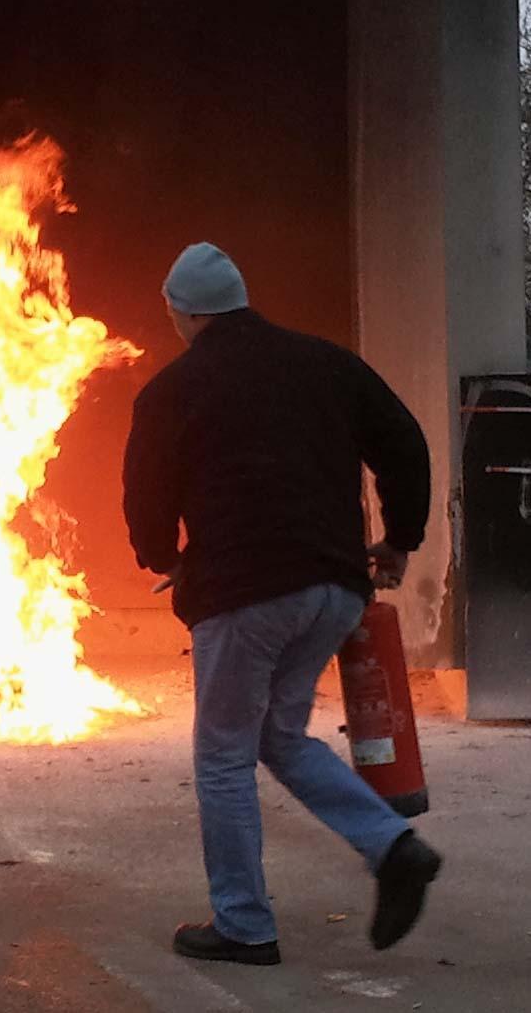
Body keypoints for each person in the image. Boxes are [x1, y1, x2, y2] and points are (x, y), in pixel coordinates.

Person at [122, 242, 441, 966]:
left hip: (246, 596)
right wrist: (400, 539)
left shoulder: (176, 387)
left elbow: (144, 497)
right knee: (278, 736)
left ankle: (243, 925)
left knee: (223, 757)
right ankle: (394, 847)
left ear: (183, 311)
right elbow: (403, 441)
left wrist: (167, 559)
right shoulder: (326, 364)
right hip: (332, 589)